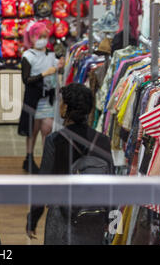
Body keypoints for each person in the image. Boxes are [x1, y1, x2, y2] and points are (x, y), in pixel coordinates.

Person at [26, 83, 114, 245]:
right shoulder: (103, 141)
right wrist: (113, 223)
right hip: (93, 217)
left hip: (62, 217)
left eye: (61, 102)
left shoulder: (55, 140)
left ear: (66, 107)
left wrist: (33, 219)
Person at [18, 21, 64, 174]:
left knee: (47, 130)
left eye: (45, 36)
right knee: (32, 130)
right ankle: (29, 159)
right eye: (39, 36)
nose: (42, 39)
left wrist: (61, 65)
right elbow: (26, 79)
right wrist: (45, 73)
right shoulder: (28, 56)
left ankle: (47, 161)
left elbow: (59, 66)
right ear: (31, 37)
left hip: (48, 99)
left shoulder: (51, 55)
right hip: (33, 99)